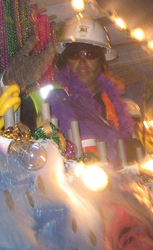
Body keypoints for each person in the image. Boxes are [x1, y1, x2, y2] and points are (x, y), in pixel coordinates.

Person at [20, 16, 135, 165]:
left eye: (90, 54)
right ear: (66, 60)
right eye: (74, 55)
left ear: (102, 60)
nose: (82, 63)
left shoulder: (115, 108)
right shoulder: (45, 97)